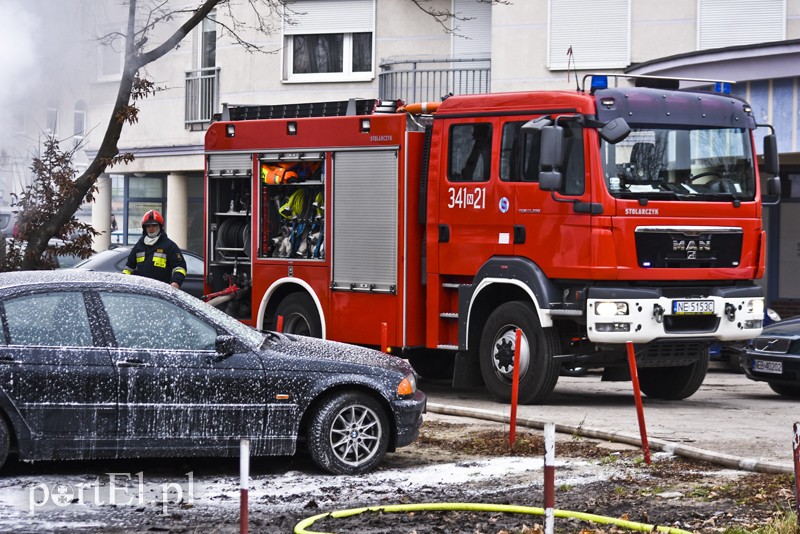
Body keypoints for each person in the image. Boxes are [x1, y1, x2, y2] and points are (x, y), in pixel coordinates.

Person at [122, 210, 187, 289]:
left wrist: (176, 282)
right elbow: (129, 268)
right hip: (141, 291)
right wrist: (124, 281)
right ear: (144, 228)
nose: (151, 228)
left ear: (160, 226)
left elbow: (180, 267)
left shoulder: (169, 246)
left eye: (154, 226)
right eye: (148, 226)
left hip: (161, 291)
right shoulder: (139, 246)